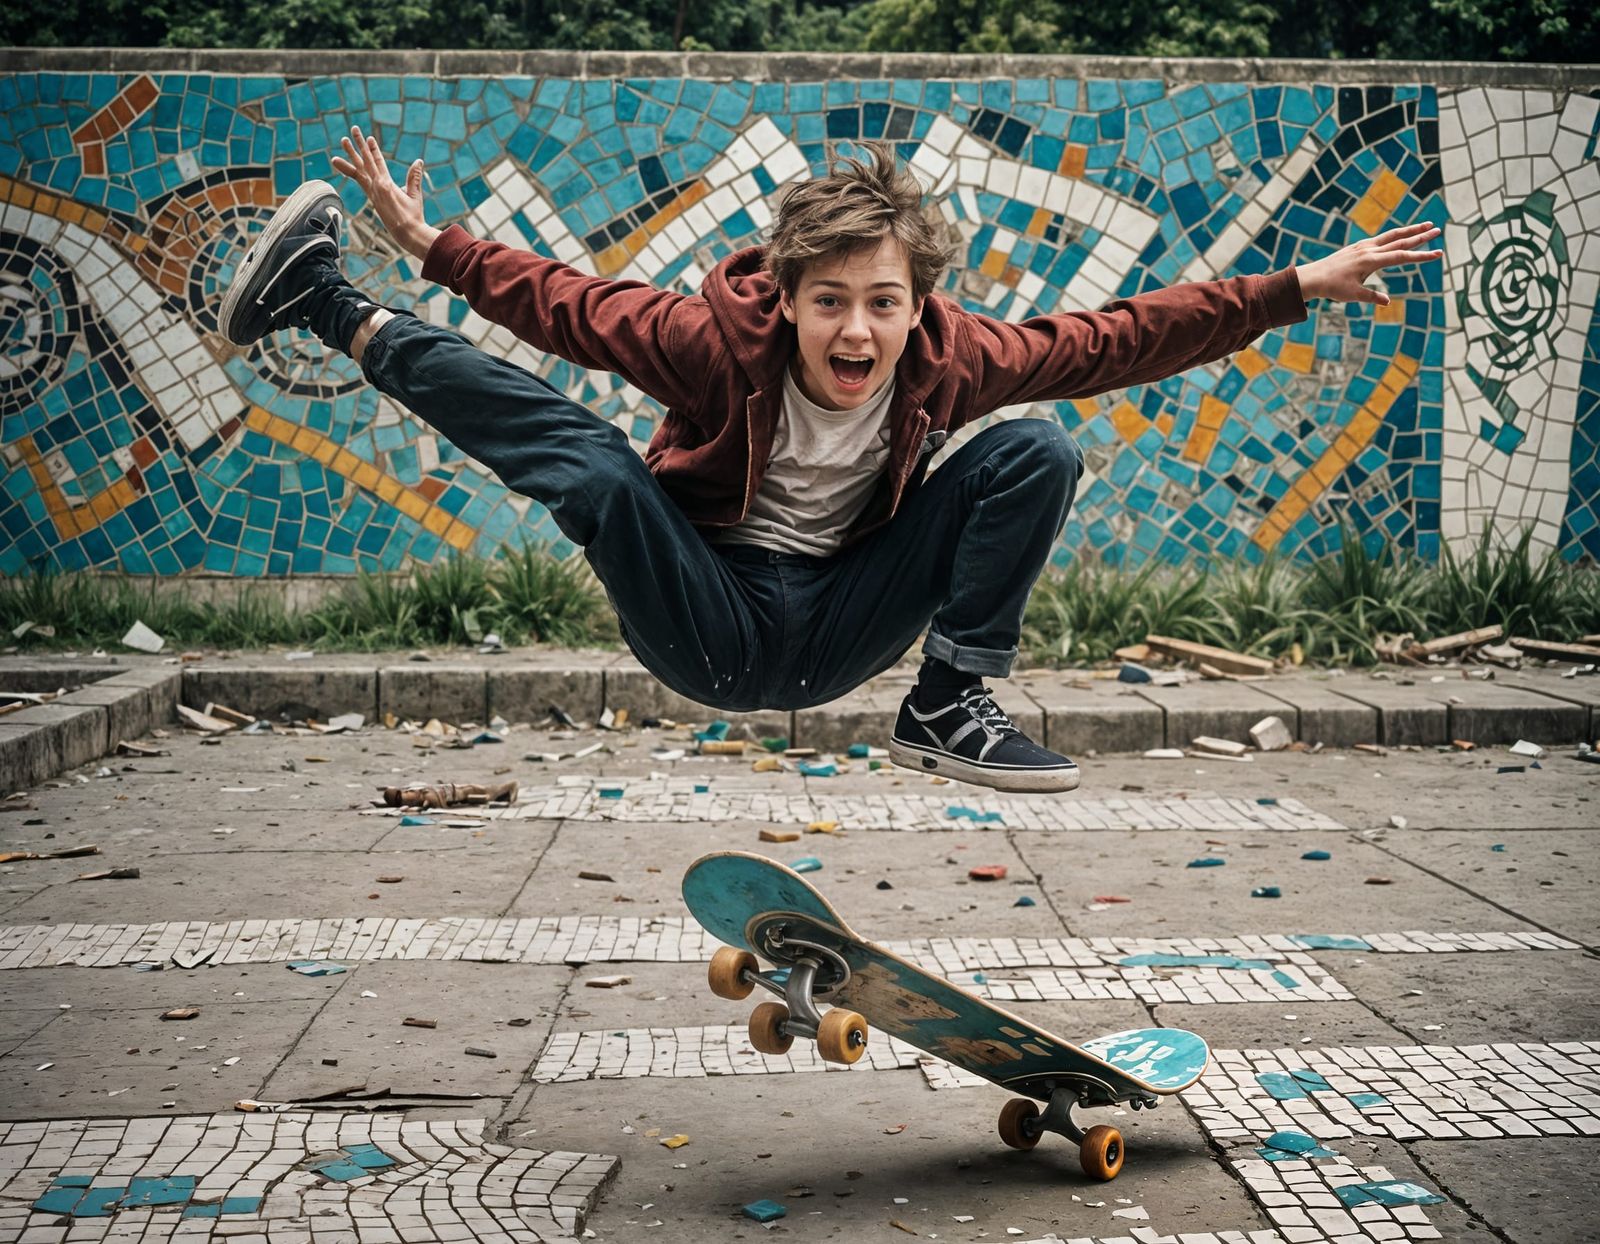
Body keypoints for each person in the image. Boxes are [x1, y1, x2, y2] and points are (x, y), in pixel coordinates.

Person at [219, 126, 1440, 793]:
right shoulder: (711, 343)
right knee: (592, 472)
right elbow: (570, 306)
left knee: (1037, 448)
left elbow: (1117, 336)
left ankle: (949, 701)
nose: (857, 332)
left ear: (918, 306)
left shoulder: (951, 359)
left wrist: (1291, 286)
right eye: (830, 304)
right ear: (789, 301)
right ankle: (327, 303)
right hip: (712, 617)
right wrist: (433, 247)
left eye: (883, 303)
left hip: (851, 617)